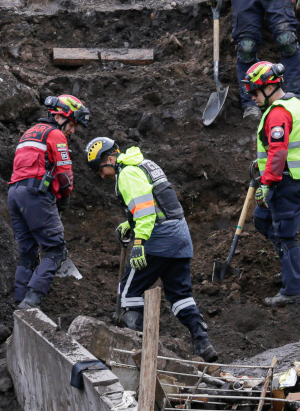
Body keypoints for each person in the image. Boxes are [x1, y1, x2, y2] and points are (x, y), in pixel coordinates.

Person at [85, 137, 219, 362]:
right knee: (180, 294)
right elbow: (157, 204)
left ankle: (136, 348)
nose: (101, 175)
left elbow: (146, 212)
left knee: (129, 291)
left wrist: (138, 244)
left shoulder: (126, 173)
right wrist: (129, 224)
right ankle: (203, 343)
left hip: (158, 239)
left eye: (100, 169)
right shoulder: (144, 164)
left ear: (110, 158)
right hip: (180, 237)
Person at [242, 61, 300, 307]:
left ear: (269, 87)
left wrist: (267, 182)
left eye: (255, 92)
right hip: (294, 177)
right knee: (262, 220)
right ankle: (293, 266)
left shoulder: (278, 111)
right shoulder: (295, 104)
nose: (252, 97)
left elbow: (278, 152)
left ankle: (292, 292)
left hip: (287, 180)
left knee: (286, 236)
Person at [9, 95, 91, 309]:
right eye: (72, 124)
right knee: (56, 250)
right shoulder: (55, 134)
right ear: (61, 116)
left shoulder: (29, 133)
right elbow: (65, 175)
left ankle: (20, 305)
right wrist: (64, 198)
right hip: (35, 195)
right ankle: (32, 302)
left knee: (28, 252)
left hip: (14, 194)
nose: (72, 131)